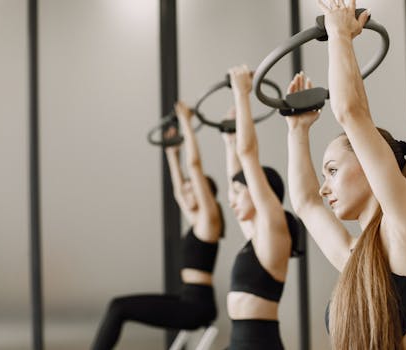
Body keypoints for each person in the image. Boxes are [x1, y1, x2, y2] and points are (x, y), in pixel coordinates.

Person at [285, 1, 406, 349]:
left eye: (333, 171)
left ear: (372, 166)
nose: (325, 188)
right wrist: (298, 130)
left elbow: (352, 113)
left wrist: (340, 35)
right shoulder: (358, 256)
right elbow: (306, 202)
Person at [92, 101, 224, 350]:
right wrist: (172, 153)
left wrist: (186, 122)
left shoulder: (209, 221)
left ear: (204, 194)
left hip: (197, 307)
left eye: (191, 189)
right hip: (189, 301)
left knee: (118, 307)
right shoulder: (198, 221)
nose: (185, 192)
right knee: (118, 306)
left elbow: (194, 166)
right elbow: (177, 191)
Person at [221, 65, 300, 350]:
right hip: (238, 340)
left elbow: (249, 155)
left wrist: (243, 94)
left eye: (241, 193)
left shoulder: (272, 229)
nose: (231, 199)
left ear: (260, 194)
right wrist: (229, 143)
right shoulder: (256, 235)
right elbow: (237, 175)